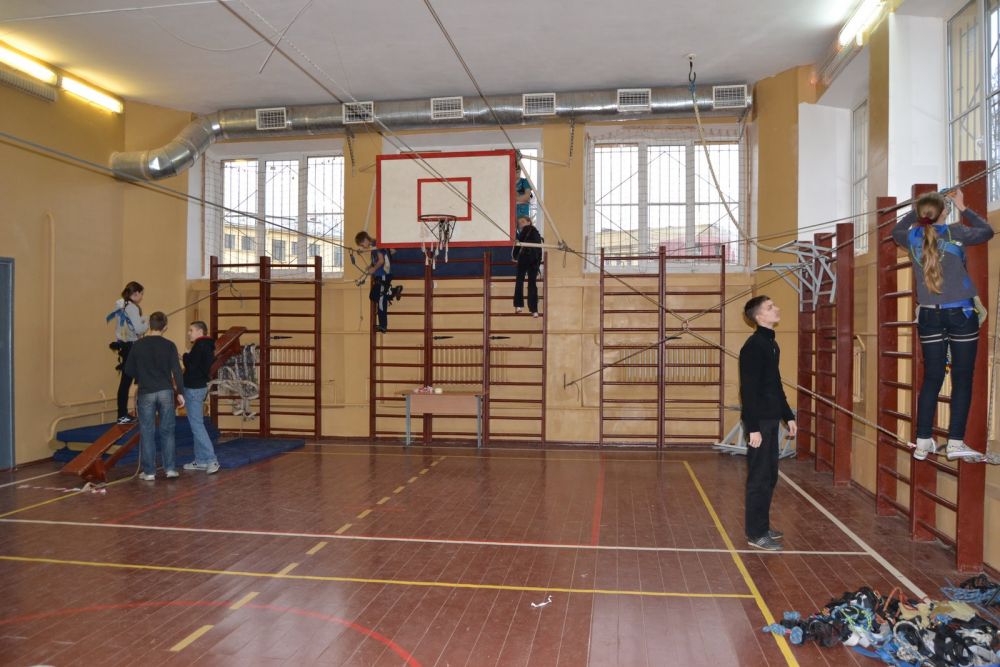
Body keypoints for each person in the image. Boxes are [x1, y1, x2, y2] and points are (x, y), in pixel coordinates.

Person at [892, 188, 994, 461]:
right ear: (944, 212)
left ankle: (922, 440)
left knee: (933, 377)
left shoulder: (911, 236)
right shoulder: (956, 232)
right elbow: (987, 231)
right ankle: (955, 442)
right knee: (962, 377)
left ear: (922, 214)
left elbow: (895, 231)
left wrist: (916, 211)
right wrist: (963, 206)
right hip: (960, 314)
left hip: (929, 316)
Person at [739, 295, 797, 552]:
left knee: (770, 476)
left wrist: (788, 416)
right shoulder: (753, 347)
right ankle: (756, 534)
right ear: (759, 316)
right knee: (759, 479)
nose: (777, 309)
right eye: (770, 307)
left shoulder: (771, 344)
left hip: (771, 420)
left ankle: (762, 526)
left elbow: (775, 384)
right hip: (759, 423)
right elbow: (748, 391)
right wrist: (752, 428)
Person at [123, 311, 185, 481]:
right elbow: (177, 370)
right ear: (165, 327)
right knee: (168, 431)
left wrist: (142, 376)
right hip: (165, 391)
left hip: (146, 392)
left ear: (149, 325)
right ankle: (170, 469)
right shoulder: (170, 345)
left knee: (147, 432)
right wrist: (180, 392)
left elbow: (128, 369)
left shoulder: (138, 345)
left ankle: (149, 472)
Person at [107, 281, 148, 424]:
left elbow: (129, 324)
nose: (141, 297)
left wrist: (142, 319)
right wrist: (147, 322)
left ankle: (122, 414)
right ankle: (122, 415)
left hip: (123, 346)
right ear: (135, 293)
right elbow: (139, 330)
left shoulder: (121, 304)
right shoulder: (132, 307)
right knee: (126, 382)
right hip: (131, 347)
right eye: (141, 293)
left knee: (126, 381)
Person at [182, 321, 220, 475]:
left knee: (197, 426)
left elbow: (191, 367)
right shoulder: (207, 345)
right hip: (198, 387)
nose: (189, 333)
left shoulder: (200, 345)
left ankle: (211, 460)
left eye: (191, 330)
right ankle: (201, 460)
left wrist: (185, 355)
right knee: (196, 426)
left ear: (199, 331)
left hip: (194, 389)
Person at [355, 231, 402, 334]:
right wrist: (370, 266)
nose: (363, 246)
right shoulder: (373, 247)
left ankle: (383, 325)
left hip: (383, 275)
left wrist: (374, 268)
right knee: (373, 296)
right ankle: (393, 291)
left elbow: (381, 261)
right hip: (380, 275)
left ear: (365, 240)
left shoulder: (376, 245)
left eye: (362, 244)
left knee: (381, 299)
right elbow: (378, 260)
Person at [512, 216, 543, 317]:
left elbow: (518, 245)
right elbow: (539, 250)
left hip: (525, 258)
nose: (521, 224)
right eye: (519, 223)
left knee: (519, 281)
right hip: (534, 260)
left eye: (523, 221)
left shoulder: (526, 230)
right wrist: (538, 263)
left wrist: (514, 256)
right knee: (532, 284)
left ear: (529, 222)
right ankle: (534, 310)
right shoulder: (537, 233)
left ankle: (518, 305)